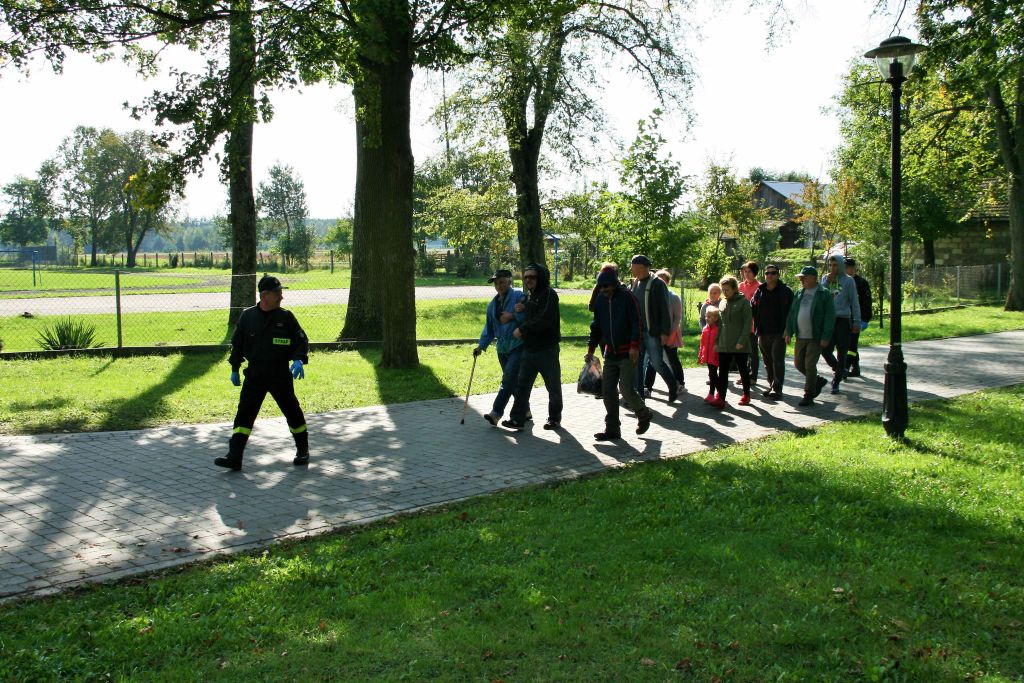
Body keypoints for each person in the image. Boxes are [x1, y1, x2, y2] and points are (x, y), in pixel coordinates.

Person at [216, 275, 310, 471]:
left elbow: (301, 341)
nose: (282, 297)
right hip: (255, 375)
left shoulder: (286, 317)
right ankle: (234, 457)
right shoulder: (247, 316)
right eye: (278, 293)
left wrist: (298, 359)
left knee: (292, 412)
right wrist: (235, 369)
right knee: (244, 416)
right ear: (265, 295)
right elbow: (238, 345)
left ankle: (303, 450)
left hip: (279, 375)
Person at [586, 269, 653, 440]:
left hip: (627, 353)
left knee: (626, 389)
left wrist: (635, 346)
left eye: (606, 286)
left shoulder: (627, 297)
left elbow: (636, 322)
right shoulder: (600, 300)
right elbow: (597, 326)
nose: (603, 290)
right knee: (607, 391)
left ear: (614, 283)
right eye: (600, 287)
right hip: (610, 353)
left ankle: (643, 414)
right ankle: (613, 429)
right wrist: (591, 349)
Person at [503, 263, 562, 431]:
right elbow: (530, 316)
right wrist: (523, 309)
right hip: (529, 349)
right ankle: (517, 419)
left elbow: (544, 319)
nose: (528, 279)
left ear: (540, 278)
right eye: (526, 276)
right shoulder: (530, 296)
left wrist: (522, 329)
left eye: (532, 276)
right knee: (522, 385)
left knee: (553, 386)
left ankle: (554, 419)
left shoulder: (550, 295)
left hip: (547, 349)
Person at [474, 269, 528, 426]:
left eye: (502, 282)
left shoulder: (519, 297)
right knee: (512, 382)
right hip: (502, 347)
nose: (499, 285)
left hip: (518, 344)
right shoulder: (492, 305)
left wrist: (513, 316)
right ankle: (525, 410)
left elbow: (529, 317)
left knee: (508, 379)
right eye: (496, 283)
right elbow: (489, 328)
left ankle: (496, 413)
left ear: (509, 281)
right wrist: (481, 346)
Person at [629, 254, 680, 402]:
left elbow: (665, 309)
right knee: (637, 363)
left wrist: (665, 332)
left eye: (633, 267)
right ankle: (638, 397)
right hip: (638, 332)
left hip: (652, 332)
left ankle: (673, 386)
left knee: (656, 362)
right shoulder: (635, 283)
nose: (631, 270)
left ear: (642, 267)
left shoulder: (658, 284)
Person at [784, 266, 836, 407]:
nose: (801, 279)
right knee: (798, 364)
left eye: (804, 277)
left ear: (813, 277)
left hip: (815, 336)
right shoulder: (799, 293)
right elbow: (792, 313)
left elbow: (830, 317)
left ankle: (808, 394)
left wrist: (826, 336)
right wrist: (788, 332)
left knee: (809, 365)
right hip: (801, 336)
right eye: (800, 277)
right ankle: (817, 381)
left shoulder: (824, 294)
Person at [751, 263, 794, 399]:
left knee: (777, 360)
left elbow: (792, 313)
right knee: (767, 361)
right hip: (763, 332)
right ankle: (771, 385)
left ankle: (777, 388)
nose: (770, 275)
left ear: (778, 275)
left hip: (779, 332)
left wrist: (789, 330)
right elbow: (752, 306)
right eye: (767, 273)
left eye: (773, 273)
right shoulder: (760, 290)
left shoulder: (786, 291)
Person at [708, 276, 752, 408]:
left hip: (739, 344)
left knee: (743, 370)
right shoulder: (722, 303)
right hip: (724, 344)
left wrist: (742, 341)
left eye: (727, 289)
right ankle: (721, 398)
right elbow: (720, 325)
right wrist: (717, 342)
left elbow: (747, 323)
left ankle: (746, 395)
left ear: (734, 288)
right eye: (723, 290)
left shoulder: (743, 302)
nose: (725, 292)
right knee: (722, 372)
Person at [820, 254, 861, 394]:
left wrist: (857, 321)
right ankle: (839, 369)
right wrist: (826, 282)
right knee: (824, 349)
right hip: (829, 320)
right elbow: (820, 296)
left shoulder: (849, 281)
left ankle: (836, 381)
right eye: (830, 265)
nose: (833, 268)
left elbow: (854, 303)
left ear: (841, 265)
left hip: (843, 319)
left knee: (842, 352)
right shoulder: (826, 278)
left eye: (835, 265)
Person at [644, 269, 685, 390]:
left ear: (668, 282)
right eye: (657, 279)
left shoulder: (674, 297)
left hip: (671, 334)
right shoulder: (651, 297)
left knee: (673, 359)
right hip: (656, 334)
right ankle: (648, 386)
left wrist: (670, 335)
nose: (659, 282)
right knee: (653, 361)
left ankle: (680, 382)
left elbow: (677, 319)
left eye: (662, 279)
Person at [844, 258, 873, 377]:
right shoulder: (842, 281)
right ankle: (855, 367)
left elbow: (866, 302)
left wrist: (865, 319)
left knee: (852, 344)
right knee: (847, 343)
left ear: (853, 268)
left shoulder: (861, 283)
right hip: (845, 317)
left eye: (847, 268)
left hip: (857, 318)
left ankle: (846, 367)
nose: (845, 270)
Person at [737, 261, 761, 386]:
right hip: (740, 324)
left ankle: (753, 376)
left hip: (752, 325)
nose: (746, 274)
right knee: (742, 352)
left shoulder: (759, 287)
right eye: (744, 271)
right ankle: (744, 375)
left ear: (754, 272)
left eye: (748, 271)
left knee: (752, 352)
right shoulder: (740, 286)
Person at [698, 306, 721, 404]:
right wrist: (700, 355)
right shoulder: (705, 329)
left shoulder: (718, 329)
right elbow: (702, 343)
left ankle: (714, 393)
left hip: (715, 356)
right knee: (712, 375)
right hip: (707, 356)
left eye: (709, 317)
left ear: (716, 318)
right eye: (706, 316)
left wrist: (718, 348)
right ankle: (717, 393)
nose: (707, 318)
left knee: (713, 375)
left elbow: (720, 342)